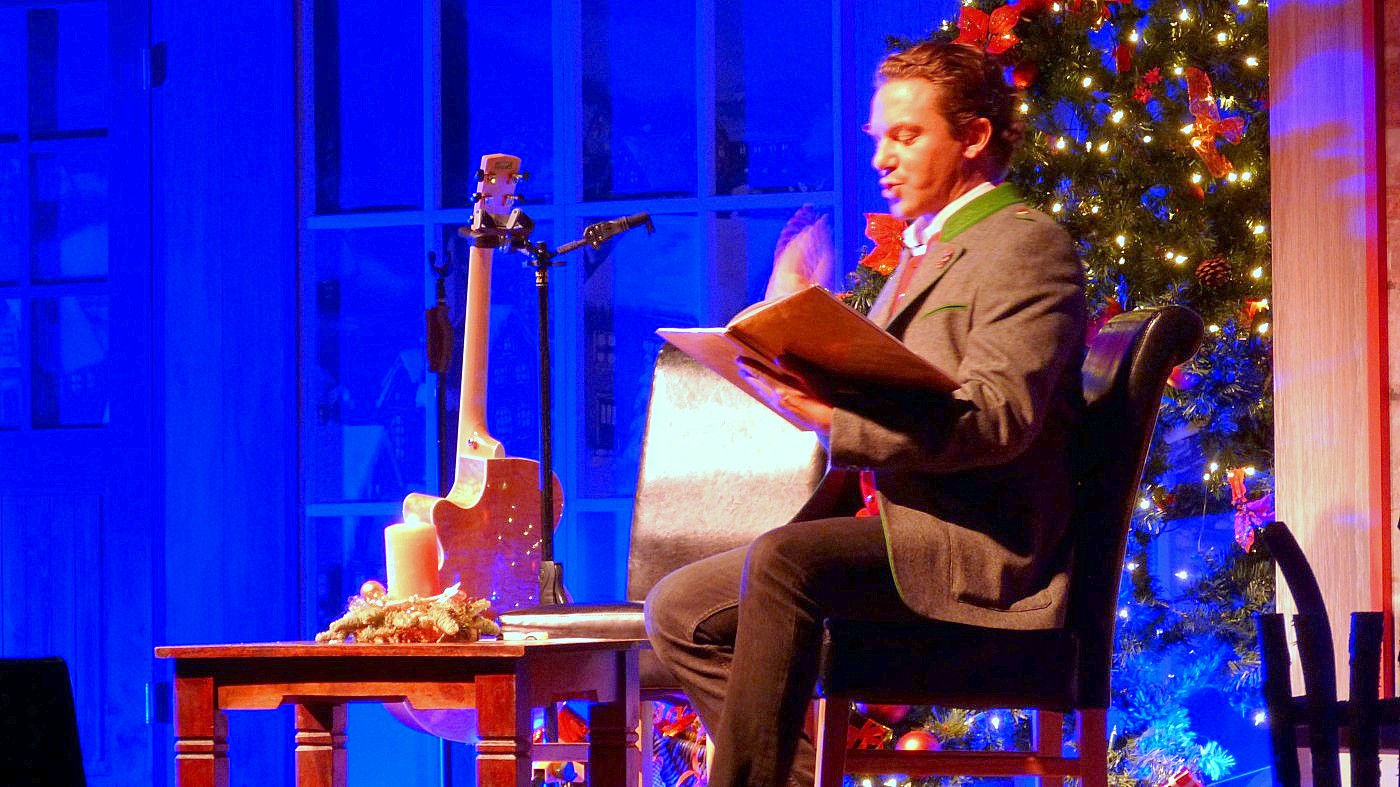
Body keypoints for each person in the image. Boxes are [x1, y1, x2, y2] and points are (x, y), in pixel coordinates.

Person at [644, 40, 1088, 787]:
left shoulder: (1023, 245)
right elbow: (892, 384)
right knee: (679, 606)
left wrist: (833, 419)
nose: (883, 157)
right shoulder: (925, 251)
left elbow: (998, 419)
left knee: (785, 562)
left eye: (907, 136)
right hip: (900, 524)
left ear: (974, 137)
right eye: (879, 137)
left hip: (973, 542)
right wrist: (788, 355)